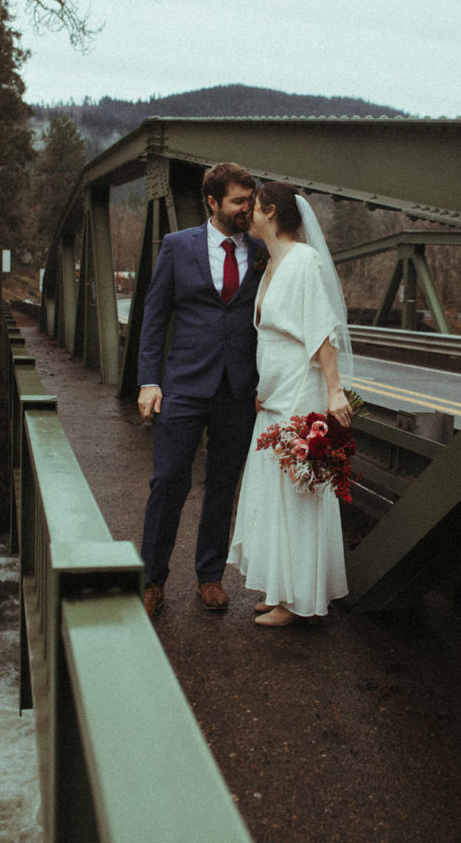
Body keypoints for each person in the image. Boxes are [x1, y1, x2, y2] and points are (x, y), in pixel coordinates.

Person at [137, 162, 262, 617]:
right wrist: (149, 381)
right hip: (184, 385)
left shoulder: (264, 250)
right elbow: (154, 319)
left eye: (250, 200)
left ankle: (210, 577)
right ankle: (152, 579)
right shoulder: (176, 247)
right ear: (212, 202)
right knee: (168, 481)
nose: (247, 208)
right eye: (238, 201)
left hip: (238, 388)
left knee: (222, 485)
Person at [227, 182, 354, 627]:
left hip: (301, 392)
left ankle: (297, 600)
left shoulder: (303, 261)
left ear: (272, 212)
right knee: (272, 493)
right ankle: (279, 587)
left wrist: (335, 391)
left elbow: (321, 330)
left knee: (296, 494)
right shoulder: (272, 264)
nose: (247, 213)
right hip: (274, 395)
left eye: (253, 206)